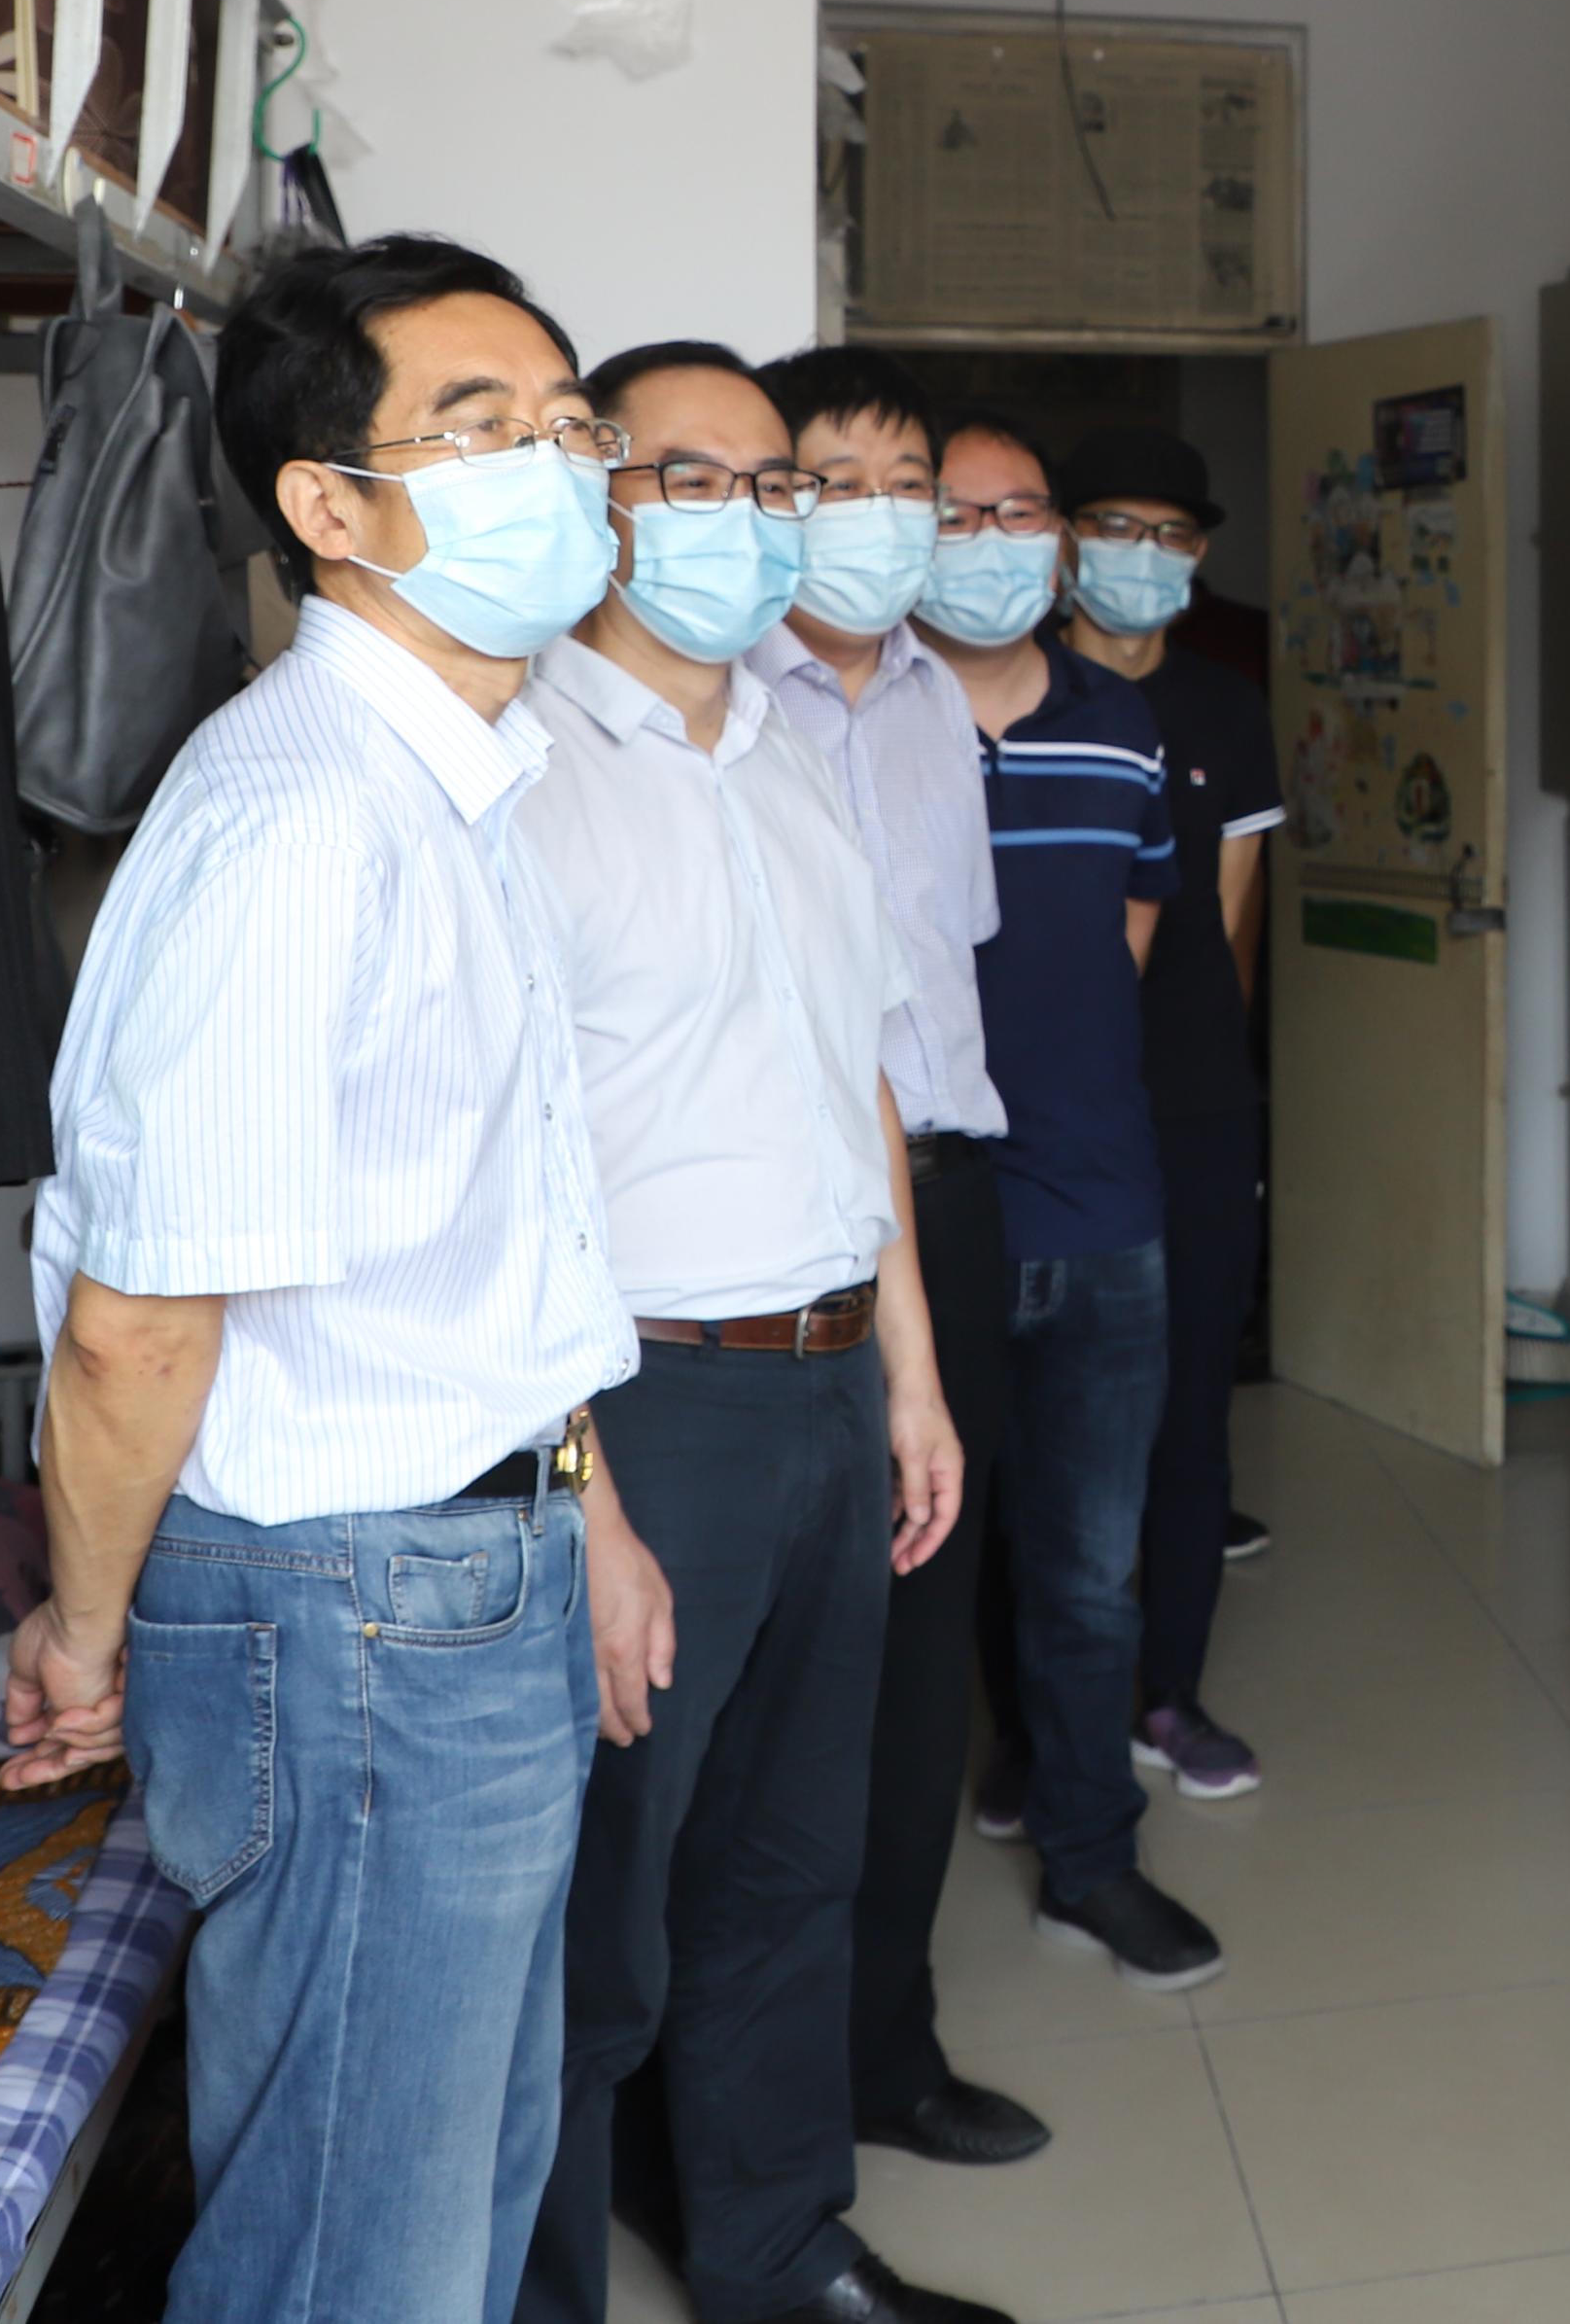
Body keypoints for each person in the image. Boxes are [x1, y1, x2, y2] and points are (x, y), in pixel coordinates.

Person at [4, 233, 649, 2324]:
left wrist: (583, 1506)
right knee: (356, 2249)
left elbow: (476, 1247)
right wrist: (84, 1628)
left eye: (572, 424)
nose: (557, 464)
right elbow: (139, 1316)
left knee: (447, 2190)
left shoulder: (450, 782)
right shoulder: (301, 814)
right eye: (481, 426)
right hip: (359, 1609)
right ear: (328, 504)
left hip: (469, 1566)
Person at [514, 344, 989, 2324]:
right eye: (692, 477)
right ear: (599, 496)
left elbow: (856, 1077)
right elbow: (500, 1169)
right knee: (598, 1905)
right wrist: (587, 1492)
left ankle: (777, 2250)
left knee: (793, 1862)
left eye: (771, 481)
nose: (750, 518)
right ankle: (539, 2291)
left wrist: (911, 1373)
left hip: (826, 1384)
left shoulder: (792, 759)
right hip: (646, 1403)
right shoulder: (522, 765)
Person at [756, 345, 1055, 2171]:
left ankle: (889, 2043)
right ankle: (748, 2094)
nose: (882, 520)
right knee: (790, 1669)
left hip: (950, 1192)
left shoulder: (946, 707)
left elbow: (948, 980)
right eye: (838, 482)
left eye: (907, 488)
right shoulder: (723, 706)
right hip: (787, 1222)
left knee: (929, 1648)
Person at [923, 411, 1228, 1993]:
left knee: (1090, 1571)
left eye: (1020, 512)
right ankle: (869, 1940)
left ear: (1056, 544)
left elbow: (1128, 936)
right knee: (910, 1583)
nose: (991, 541)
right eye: (954, 511)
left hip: (1103, 1209)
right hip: (925, 1225)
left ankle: (1092, 1860)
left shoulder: (1122, 727)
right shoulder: (848, 722)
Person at [1050, 426, 1284, 1797]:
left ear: (1198, 553)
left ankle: (1171, 1696)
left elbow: (1235, 923)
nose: (1142, 555)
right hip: (1044, 1117)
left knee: (1193, 1409)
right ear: (1065, 539)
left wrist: (1209, 1078)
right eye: (1114, 526)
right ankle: (1043, 1729)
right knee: (1047, 1426)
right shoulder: (1008, 694)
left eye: (1170, 533)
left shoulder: (1226, 710)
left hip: (1191, 1108)